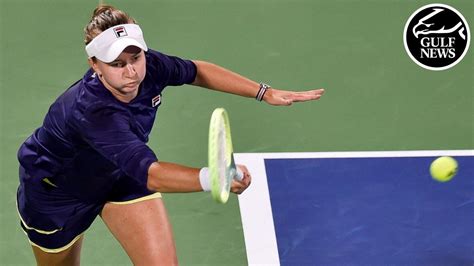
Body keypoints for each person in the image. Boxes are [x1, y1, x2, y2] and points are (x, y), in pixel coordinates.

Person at [16, 4, 325, 266]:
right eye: (117, 64)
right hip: (58, 193)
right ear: (94, 65)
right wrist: (214, 177)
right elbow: (152, 174)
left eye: (136, 58)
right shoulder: (93, 112)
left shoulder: (150, 67)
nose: (131, 71)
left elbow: (196, 70)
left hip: (119, 175)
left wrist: (263, 92)